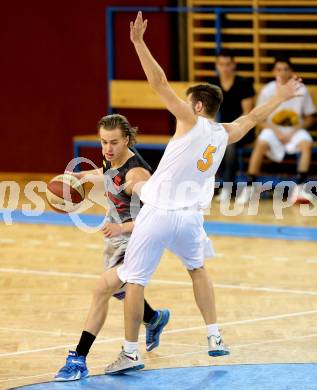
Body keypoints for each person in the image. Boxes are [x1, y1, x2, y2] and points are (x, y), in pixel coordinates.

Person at [103, 12, 303, 375]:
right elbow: (255, 117)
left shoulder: (190, 121)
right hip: (191, 218)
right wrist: (285, 96)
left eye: (187, 100)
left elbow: (158, 82)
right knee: (197, 269)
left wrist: (138, 43)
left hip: (160, 213)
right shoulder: (225, 132)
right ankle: (214, 336)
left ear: (196, 106)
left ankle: (130, 351)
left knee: (135, 280)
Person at [54, 114, 170, 381]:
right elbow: (108, 172)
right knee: (120, 291)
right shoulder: (111, 158)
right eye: (104, 142)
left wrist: (122, 228)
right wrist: (85, 174)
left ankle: (78, 359)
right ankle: (153, 318)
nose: (107, 148)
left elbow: (157, 213)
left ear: (127, 139)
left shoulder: (136, 173)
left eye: (114, 142)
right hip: (118, 231)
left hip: (138, 236)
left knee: (103, 289)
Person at [236, 56, 316, 205]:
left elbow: (311, 117)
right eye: (279, 69)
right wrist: (277, 131)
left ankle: (299, 187)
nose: (283, 72)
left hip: (294, 130)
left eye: (286, 69)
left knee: (306, 143)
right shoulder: (268, 90)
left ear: (291, 71)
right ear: (274, 71)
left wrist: (295, 130)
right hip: (272, 129)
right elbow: (258, 118)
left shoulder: (302, 89)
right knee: (261, 143)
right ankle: (249, 186)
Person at [212, 49, 255, 202]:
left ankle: (228, 187)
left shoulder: (244, 84)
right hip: (221, 128)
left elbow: (247, 112)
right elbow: (208, 112)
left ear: (233, 65)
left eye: (228, 64)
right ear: (217, 66)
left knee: (229, 145)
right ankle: (207, 186)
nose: (225, 67)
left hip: (243, 127)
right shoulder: (213, 85)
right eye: (221, 64)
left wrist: (229, 127)